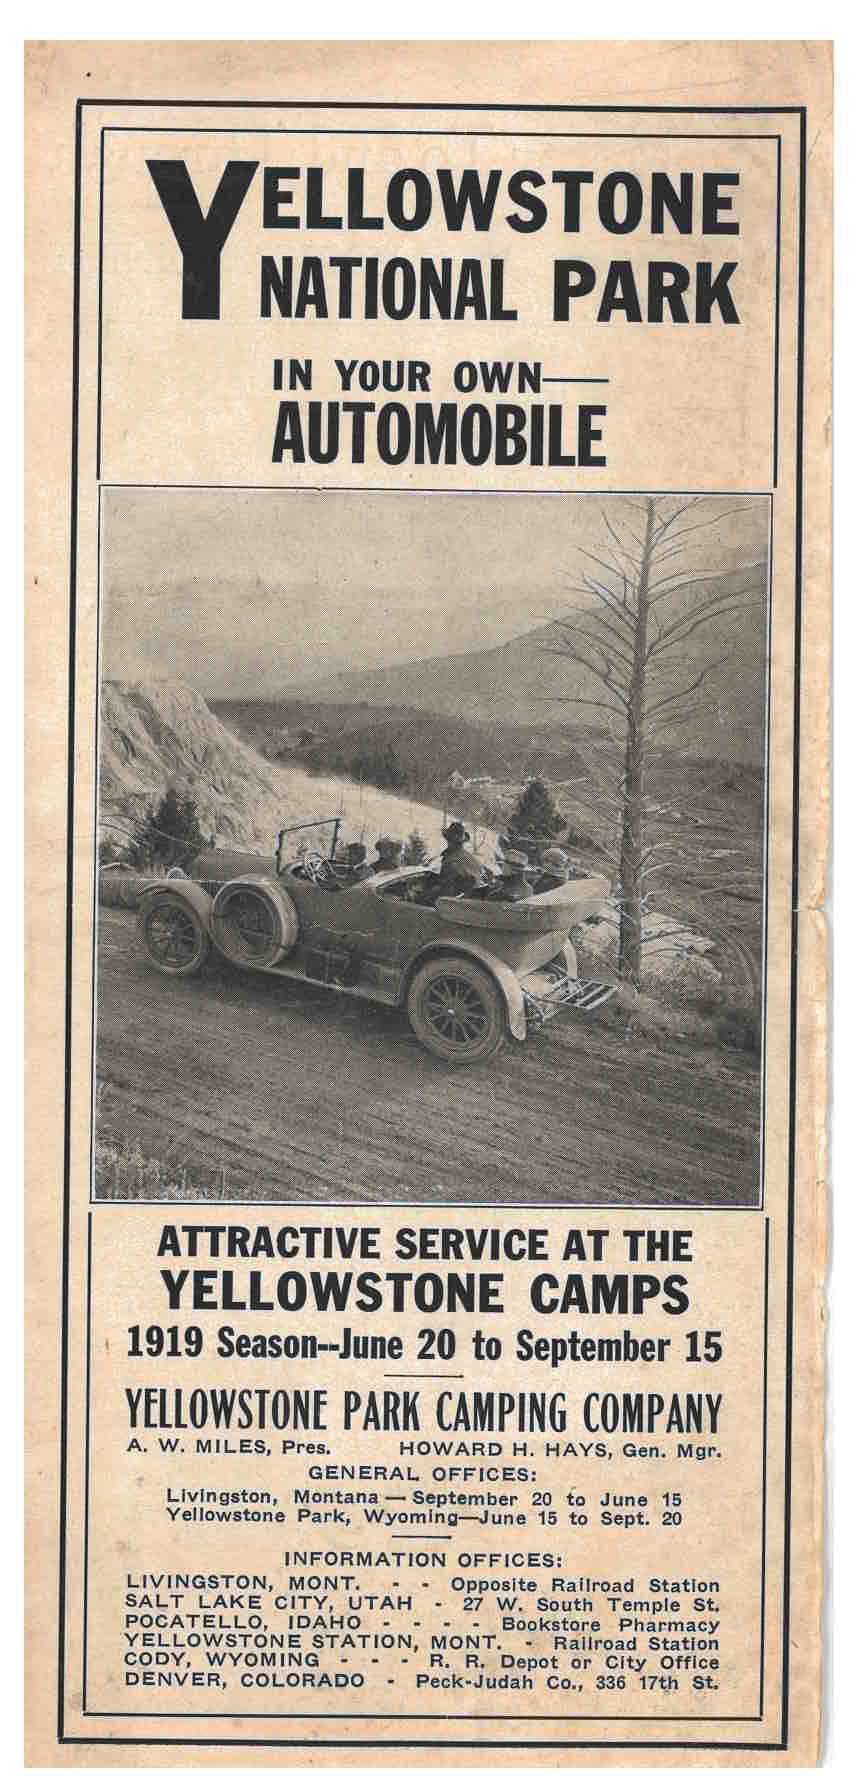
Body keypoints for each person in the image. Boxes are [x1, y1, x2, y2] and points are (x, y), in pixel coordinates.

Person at [436, 820, 487, 897]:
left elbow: (446, 890)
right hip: (468, 902)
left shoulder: (451, 860)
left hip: (451, 903)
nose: (448, 843)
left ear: (449, 840)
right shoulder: (473, 859)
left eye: (449, 840)